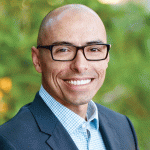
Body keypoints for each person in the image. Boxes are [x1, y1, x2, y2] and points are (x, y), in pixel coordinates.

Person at [0, 4, 138, 150]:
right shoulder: (10, 141)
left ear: (107, 57)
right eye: (64, 50)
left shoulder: (123, 127)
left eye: (93, 49)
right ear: (37, 60)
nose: (80, 66)